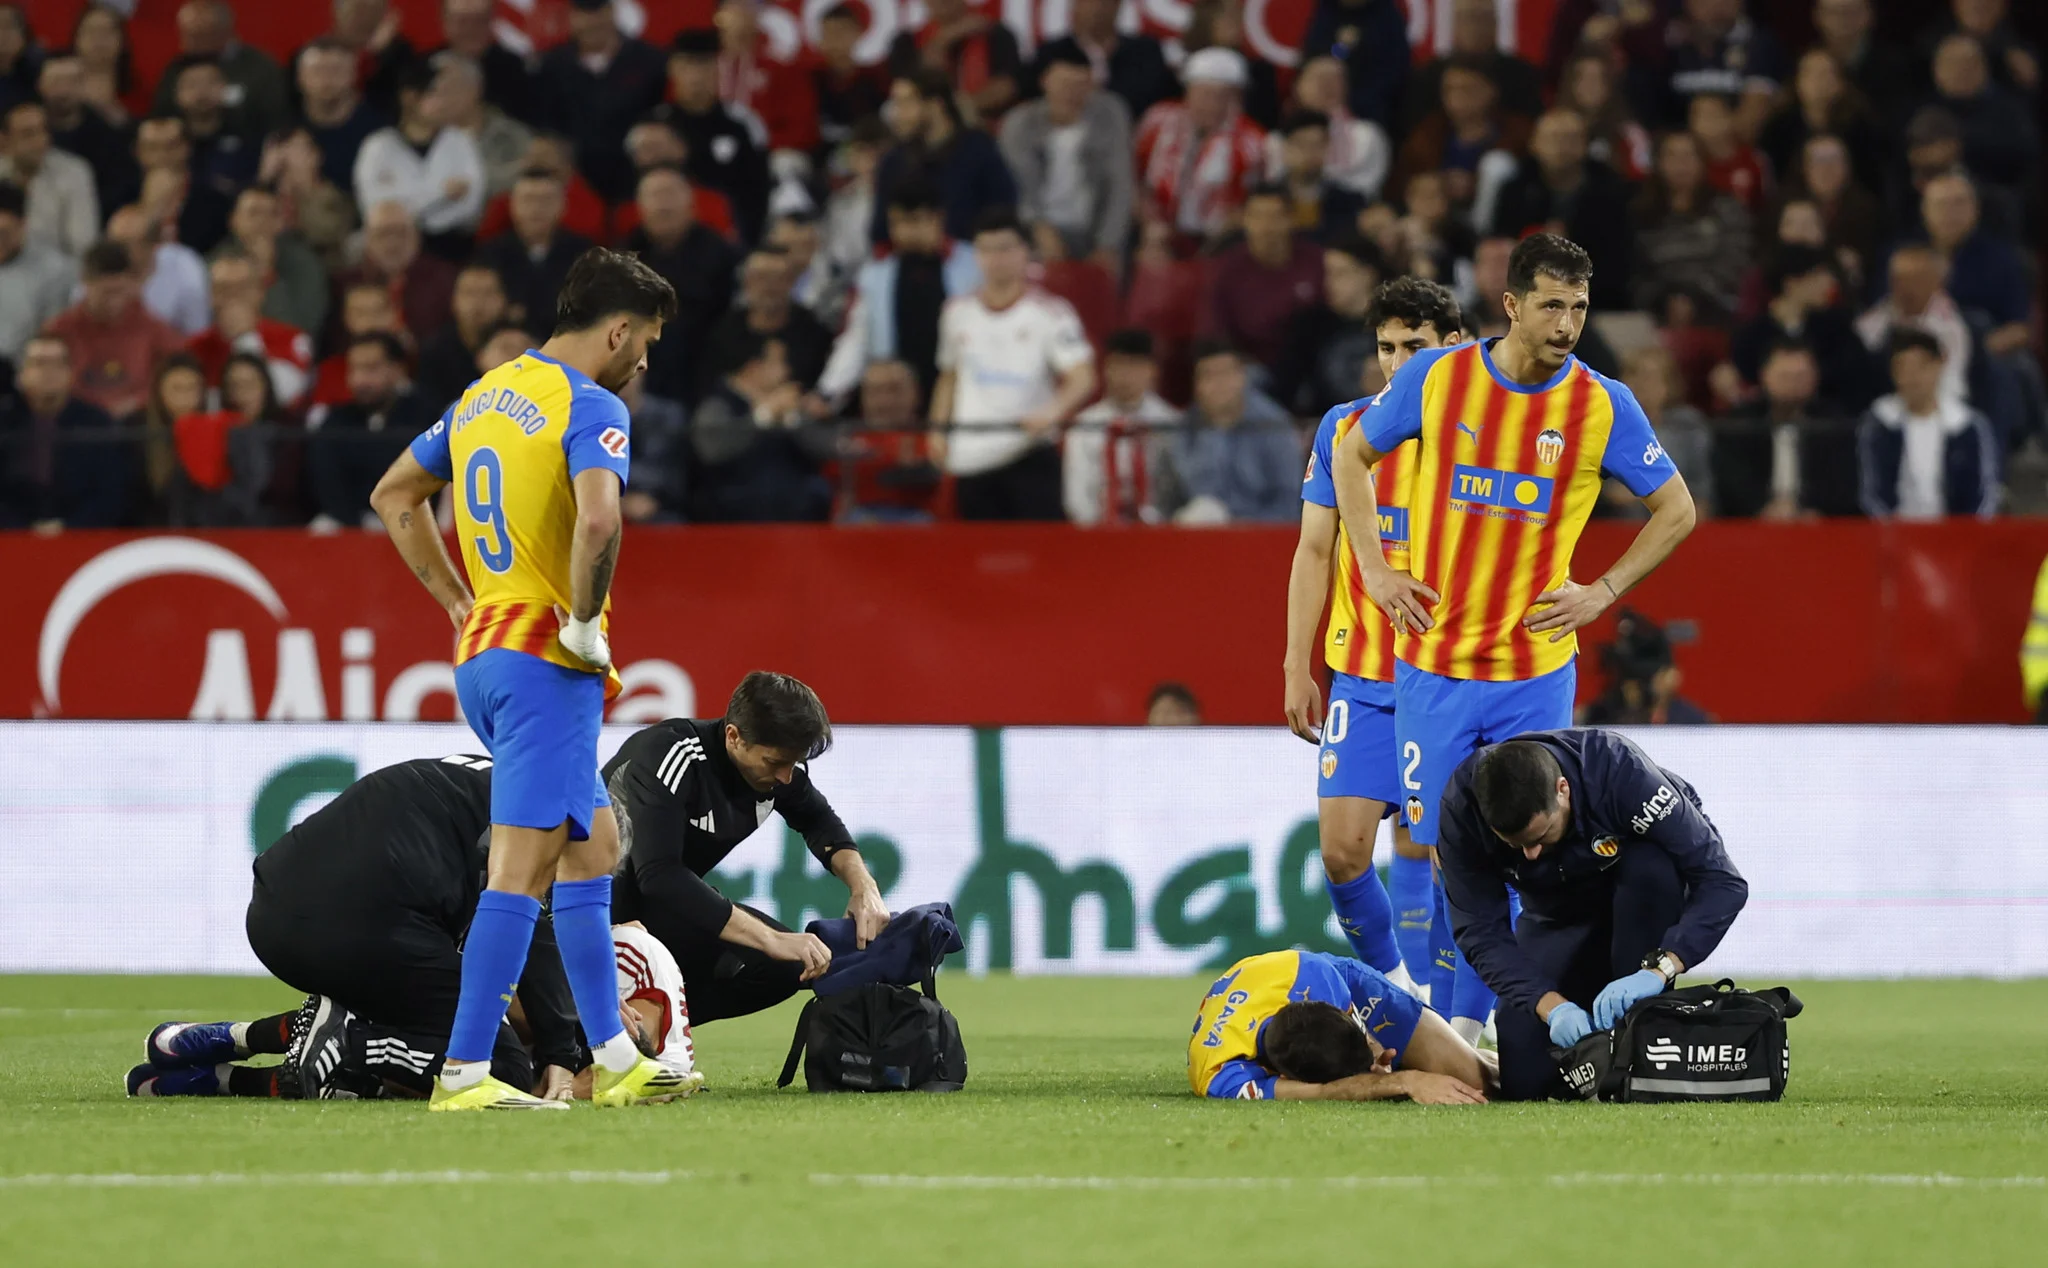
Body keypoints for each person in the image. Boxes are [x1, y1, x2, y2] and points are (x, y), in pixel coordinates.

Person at [1329, 234, 1697, 1044]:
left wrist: (1602, 591)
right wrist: (1378, 572)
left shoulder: (1603, 405)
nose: (1567, 323)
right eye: (1552, 305)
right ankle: (1437, 1024)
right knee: (1433, 852)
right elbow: (1352, 457)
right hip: (1433, 664)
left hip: (1533, 671)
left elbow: (1677, 509)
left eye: (1579, 307)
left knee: (1527, 847)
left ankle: (1479, 1027)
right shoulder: (1437, 378)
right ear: (1512, 305)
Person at [367, 247, 682, 1112]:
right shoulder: (593, 404)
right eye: (646, 340)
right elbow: (599, 519)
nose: (645, 359)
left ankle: (615, 1056)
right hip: (548, 661)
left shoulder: (482, 397)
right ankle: (465, 1072)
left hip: (486, 654)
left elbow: (396, 494)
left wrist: (455, 603)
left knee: (594, 848)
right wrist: (583, 623)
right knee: (521, 868)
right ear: (617, 329)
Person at [123, 755, 616, 1102]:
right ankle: (350, 1040)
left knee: (416, 1023)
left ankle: (221, 1060)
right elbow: (527, 923)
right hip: (367, 923)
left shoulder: (491, 777)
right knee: (494, 1066)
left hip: (274, 908)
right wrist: (561, 1051)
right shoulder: (554, 818)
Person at [1288, 277, 1464, 988]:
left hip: (1454, 678)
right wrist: (1295, 663)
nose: (1397, 363)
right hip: (1361, 678)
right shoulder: (1343, 428)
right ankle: (1401, 988)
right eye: (1387, 347)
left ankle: (1460, 1014)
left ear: (1453, 347)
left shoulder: (1481, 440)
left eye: (1414, 347)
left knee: (1458, 857)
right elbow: (1312, 552)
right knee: (1342, 854)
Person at [1436, 729, 1749, 1100]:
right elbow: (1479, 931)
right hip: (1553, 914)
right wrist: (1550, 1007)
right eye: (1515, 845)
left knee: (1652, 866)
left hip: (1637, 903)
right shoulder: (1462, 808)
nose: (1531, 854)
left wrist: (1659, 970)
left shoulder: (1621, 772)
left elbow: (1723, 883)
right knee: (1527, 1083)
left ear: (1563, 789)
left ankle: (1640, 1029)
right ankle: (1598, 1041)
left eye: (1540, 836)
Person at [605, 672, 892, 1022]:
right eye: (775, 763)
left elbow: (820, 822)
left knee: (787, 967)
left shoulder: (777, 775)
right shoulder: (671, 755)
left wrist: (864, 886)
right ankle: (596, 1027)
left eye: (794, 763)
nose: (788, 777)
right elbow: (660, 875)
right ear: (733, 736)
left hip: (656, 915)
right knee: (775, 950)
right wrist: (770, 939)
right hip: (581, 915)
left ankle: (659, 1029)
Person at [931, 208, 1096, 521]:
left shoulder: (1052, 313)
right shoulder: (956, 313)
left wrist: (1051, 412)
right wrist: (938, 428)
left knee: (1037, 558)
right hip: (972, 456)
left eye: (1005, 248)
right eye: (987, 249)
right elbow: (949, 376)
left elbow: (1082, 377)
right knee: (981, 558)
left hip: (1027, 452)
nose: (997, 258)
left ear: (1025, 252)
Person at [1187, 949, 1491, 1102]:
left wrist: (1375, 1054)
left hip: (1331, 978)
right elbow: (1321, 1092)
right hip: (1264, 992)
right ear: (1287, 1074)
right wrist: (1406, 1081)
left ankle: (1495, 1059)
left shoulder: (1320, 980)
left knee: (1481, 1081)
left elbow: (1360, 1035)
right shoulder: (1222, 1075)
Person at [814, 179, 978, 412]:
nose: (906, 232)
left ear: (938, 218)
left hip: (959, 388)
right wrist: (828, 392)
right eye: (898, 223)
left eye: (916, 221)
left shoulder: (973, 265)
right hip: (896, 395)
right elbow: (856, 339)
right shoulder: (874, 275)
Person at [998, 45, 1133, 268]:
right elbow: (1020, 186)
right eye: (1064, 84)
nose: (1072, 94)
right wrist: (1039, 228)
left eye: (1081, 85)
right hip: (1037, 229)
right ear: (1045, 82)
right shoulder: (1020, 123)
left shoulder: (1110, 115)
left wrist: (1107, 245)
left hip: (1093, 227)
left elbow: (1120, 184)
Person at [1490, 109, 1633, 311]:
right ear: (1534, 144)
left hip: (1596, 298)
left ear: (1585, 145)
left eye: (1570, 138)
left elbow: (1620, 258)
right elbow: (1500, 241)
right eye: (1552, 138)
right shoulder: (1516, 189)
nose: (1561, 146)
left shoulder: (1610, 191)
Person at [622, 165, 738, 405]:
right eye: (655, 196)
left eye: (671, 194)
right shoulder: (624, 254)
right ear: (640, 207)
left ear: (691, 204)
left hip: (701, 366)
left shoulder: (721, 254)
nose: (664, 205)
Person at [533, 0, 666, 206]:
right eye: (583, 14)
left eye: (598, 13)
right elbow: (547, 125)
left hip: (634, 182)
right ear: (572, 17)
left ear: (612, 12)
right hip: (574, 186)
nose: (591, 22)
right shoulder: (553, 66)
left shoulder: (649, 61)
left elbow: (660, 117)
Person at [688, 336, 834, 522]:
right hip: (736, 514)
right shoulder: (718, 405)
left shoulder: (790, 405)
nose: (786, 371)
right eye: (779, 363)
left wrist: (794, 418)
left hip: (794, 510)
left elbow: (826, 449)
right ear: (754, 367)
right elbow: (711, 449)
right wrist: (763, 417)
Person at [1134, 48, 1266, 253]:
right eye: (1205, 94)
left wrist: (1220, 239)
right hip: (1153, 233)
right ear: (1188, 92)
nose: (1213, 104)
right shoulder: (1158, 121)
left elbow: (1255, 201)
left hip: (1219, 242)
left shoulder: (1253, 141)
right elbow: (1132, 177)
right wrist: (1149, 222)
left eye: (1223, 96)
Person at [1857, 328, 1998, 521]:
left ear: (1938, 365)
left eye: (1920, 367)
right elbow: (1871, 493)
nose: (1912, 377)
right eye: (1903, 369)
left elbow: (1985, 494)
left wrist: (1964, 537)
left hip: (1956, 537)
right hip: (1895, 536)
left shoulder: (1968, 425)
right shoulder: (1879, 424)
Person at [1711, 339, 1860, 520]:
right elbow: (1731, 480)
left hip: (1818, 526)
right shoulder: (1740, 422)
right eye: (1785, 376)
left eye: (1800, 376)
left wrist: (1814, 511)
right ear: (1764, 375)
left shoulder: (1835, 423)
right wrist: (1762, 509)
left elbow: (1843, 481)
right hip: (1752, 525)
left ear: (1816, 377)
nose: (1793, 385)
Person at [869, 68, 1015, 250]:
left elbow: (1002, 214)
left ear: (935, 104)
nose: (898, 114)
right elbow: (880, 233)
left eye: (906, 103)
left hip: (973, 263)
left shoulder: (979, 151)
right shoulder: (894, 162)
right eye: (896, 104)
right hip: (909, 264)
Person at [42, 240, 185, 419]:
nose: (114, 302)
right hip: (76, 425)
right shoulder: (60, 330)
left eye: (119, 291)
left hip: (138, 423)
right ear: (85, 283)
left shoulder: (153, 329)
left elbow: (178, 374)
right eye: (106, 293)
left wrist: (140, 401)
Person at [354, 60, 487, 249]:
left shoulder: (460, 141)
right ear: (410, 97)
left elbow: (470, 203)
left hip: (454, 244)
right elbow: (376, 208)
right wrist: (441, 194)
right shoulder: (378, 147)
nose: (443, 102)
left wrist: (406, 200)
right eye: (434, 94)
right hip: (394, 245)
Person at [0, 334, 127, 529]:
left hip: (83, 538)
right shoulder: (5, 422)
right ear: (22, 373)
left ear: (70, 372)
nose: (48, 372)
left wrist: (67, 527)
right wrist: (24, 530)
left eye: (57, 364)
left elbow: (110, 493)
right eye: (39, 363)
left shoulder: (97, 423)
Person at [660, 29, 773, 246]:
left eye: (704, 66)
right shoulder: (657, 126)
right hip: (669, 242)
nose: (696, 76)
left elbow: (759, 189)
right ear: (672, 70)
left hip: (731, 240)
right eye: (687, 66)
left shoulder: (744, 124)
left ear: (717, 71)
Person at [307, 332, 432, 528]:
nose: (360, 380)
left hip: (410, 519)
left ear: (397, 370)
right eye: (354, 369)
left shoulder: (424, 416)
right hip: (347, 521)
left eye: (371, 369)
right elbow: (327, 482)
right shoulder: (336, 421)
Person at [1200, 184, 1322, 376]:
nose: (1267, 226)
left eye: (1276, 216)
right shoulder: (1226, 271)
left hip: (1311, 365)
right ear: (1243, 220)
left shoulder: (1315, 261)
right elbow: (1216, 336)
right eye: (1257, 216)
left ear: (1292, 219)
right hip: (1250, 369)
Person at [1388, 57, 1530, 222]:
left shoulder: (1516, 132)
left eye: (1467, 89)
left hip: (1494, 222)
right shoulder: (1428, 132)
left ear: (1491, 91)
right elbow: (1402, 183)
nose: (1457, 97)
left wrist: (1474, 184)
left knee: (1497, 164)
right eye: (1449, 89)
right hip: (1433, 220)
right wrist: (1441, 182)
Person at [1628, 130, 1749, 322]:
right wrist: (1665, 300)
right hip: (1656, 310)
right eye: (1672, 156)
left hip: (1716, 306)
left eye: (1689, 156)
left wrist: (1693, 297)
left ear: (1703, 163)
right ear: (1658, 163)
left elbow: (1735, 261)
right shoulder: (1640, 214)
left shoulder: (1727, 209)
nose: (1681, 164)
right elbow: (1636, 271)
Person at [1065, 328, 1178, 526]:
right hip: (1099, 530)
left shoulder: (1171, 424)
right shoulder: (1085, 425)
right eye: (1119, 365)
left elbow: (1176, 489)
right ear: (1106, 369)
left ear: (1152, 371)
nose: (1126, 376)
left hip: (1161, 530)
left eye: (1135, 367)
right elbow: (1076, 495)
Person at [1270, 234, 1384, 417]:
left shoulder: (1397, 323)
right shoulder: (1310, 325)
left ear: (1367, 275)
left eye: (1340, 273)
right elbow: (1285, 387)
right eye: (1327, 274)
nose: (1329, 283)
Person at [187, 249, 314, 408]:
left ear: (260, 293)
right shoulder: (195, 348)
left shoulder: (291, 339)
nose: (233, 298)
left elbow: (284, 394)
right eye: (223, 289)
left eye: (242, 288)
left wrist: (246, 337)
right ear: (210, 296)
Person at [477, 168, 597, 337]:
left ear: (563, 206)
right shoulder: (491, 253)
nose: (536, 208)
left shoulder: (584, 253)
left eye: (546, 200)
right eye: (528, 200)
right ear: (512, 205)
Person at [705, 246, 833, 398]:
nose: (769, 287)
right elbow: (709, 388)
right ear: (746, 281)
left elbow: (819, 392)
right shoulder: (723, 332)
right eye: (761, 277)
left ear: (792, 282)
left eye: (778, 278)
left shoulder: (814, 333)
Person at [1401, 0, 1544, 133]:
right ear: (1454, 24)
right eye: (1467, 18)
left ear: (1495, 24)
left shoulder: (1521, 75)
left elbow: (1531, 129)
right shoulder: (1428, 75)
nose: (1474, 26)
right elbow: (1414, 130)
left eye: (1482, 18)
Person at [336, 201, 459, 352]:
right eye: (383, 234)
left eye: (401, 233)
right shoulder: (345, 283)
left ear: (417, 236)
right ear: (367, 239)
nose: (392, 243)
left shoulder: (445, 279)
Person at [1032, 0, 1176, 125]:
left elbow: (1159, 95)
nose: (1096, 9)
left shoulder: (1145, 50)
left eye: (1103, 2)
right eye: (1087, 2)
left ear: (1117, 6)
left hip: (1135, 134)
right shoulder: (1052, 53)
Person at [213, 184, 329, 340]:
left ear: (281, 222)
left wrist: (267, 273)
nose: (262, 221)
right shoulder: (215, 263)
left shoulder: (305, 264)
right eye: (254, 213)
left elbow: (303, 327)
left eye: (272, 214)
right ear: (234, 220)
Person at [1272, 57, 1391, 204]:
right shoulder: (1275, 140)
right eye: (1319, 79)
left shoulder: (1367, 136)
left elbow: (1366, 189)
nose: (1327, 86)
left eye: (1336, 79)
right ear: (1297, 86)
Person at [886, 0, 1024, 125]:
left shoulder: (995, 33)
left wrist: (962, 107)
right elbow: (913, 88)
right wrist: (944, 39)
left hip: (984, 122)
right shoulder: (906, 42)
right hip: (927, 126)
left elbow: (1007, 86)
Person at [37, 54, 131, 219]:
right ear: (40, 85)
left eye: (72, 81)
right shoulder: (26, 130)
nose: (63, 90)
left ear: (84, 86)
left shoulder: (107, 135)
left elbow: (119, 189)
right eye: (56, 82)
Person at [1578, 609, 1710, 725]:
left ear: (1671, 676)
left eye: (1647, 678)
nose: (1637, 688)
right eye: (1631, 679)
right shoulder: (1597, 722)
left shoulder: (1692, 725)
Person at [0, 102, 97, 257]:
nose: (41, 141)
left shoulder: (74, 172)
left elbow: (83, 245)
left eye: (44, 131)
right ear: (4, 139)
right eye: (28, 134)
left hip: (58, 274)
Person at [1296, 0, 1409, 130]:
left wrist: (1353, 106)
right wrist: (1340, 48)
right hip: (1318, 116)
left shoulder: (1386, 19)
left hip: (1370, 114)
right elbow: (1315, 60)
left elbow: (1394, 74)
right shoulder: (1326, 11)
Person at [435, 50, 532, 203]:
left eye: (451, 87)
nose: (443, 97)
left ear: (476, 88)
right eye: (435, 90)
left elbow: (526, 181)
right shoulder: (422, 139)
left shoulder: (513, 137)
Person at [295, 38, 388, 194]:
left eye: (336, 70)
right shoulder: (285, 130)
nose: (326, 80)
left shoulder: (379, 134)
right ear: (300, 78)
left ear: (353, 75)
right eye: (317, 71)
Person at [0, 182, 77, 366]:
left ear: (22, 225)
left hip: (23, 374)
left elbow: (51, 338)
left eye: (3, 233)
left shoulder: (55, 271)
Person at [103, 203, 209, 337]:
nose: (114, 252)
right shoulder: (98, 268)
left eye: (125, 244)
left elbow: (197, 334)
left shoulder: (185, 269)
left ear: (152, 246)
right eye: (112, 243)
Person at [433, 0, 536, 126]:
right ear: (444, 22)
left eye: (480, 20)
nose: (470, 29)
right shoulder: (428, 67)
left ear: (492, 20)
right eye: (462, 21)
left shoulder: (515, 70)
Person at [169, 56, 259, 195]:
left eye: (210, 82)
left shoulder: (249, 136)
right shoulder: (168, 141)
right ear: (176, 94)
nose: (201, 92)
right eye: (191, 84)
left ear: (226, 87)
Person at [1270, 111, 1366, 241]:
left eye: (1318, 145)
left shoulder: (1350, 202)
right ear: (1285, 150)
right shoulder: (1266, 200)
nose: (1310, 152)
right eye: (1301, 144)